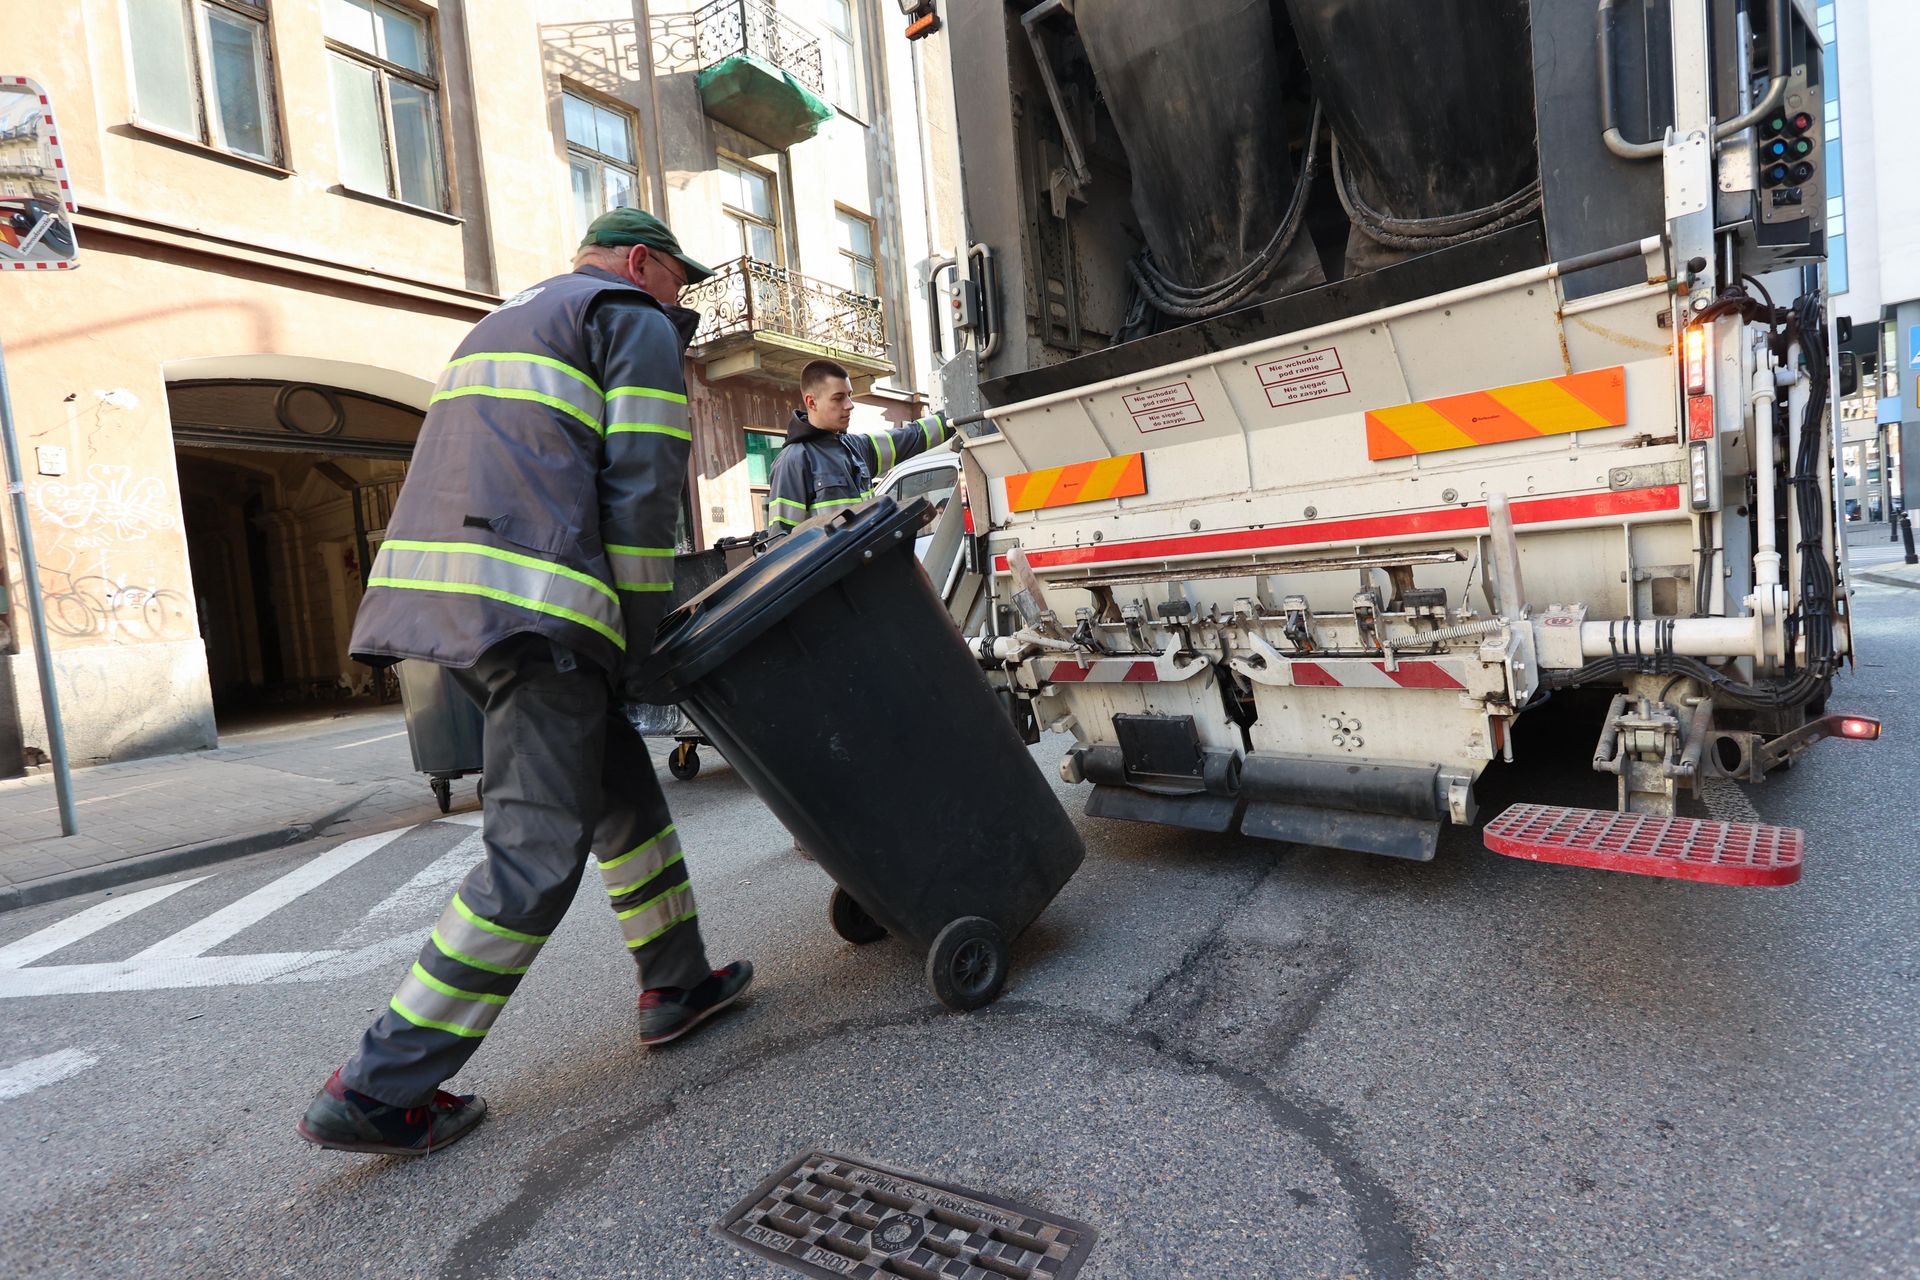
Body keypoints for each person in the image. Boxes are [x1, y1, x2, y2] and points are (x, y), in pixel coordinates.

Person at [296, 209, 752, 1157]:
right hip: (543, 612)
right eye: (680, 281)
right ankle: (380, 1086)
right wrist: (638, 636)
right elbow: (641, 488)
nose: (684, 304)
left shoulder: (505, 322)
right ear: (640, 263)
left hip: (453, 614)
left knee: (622, 797)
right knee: (535, 856)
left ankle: (678, 982)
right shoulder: (629, 317)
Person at [763, 359, 953, 535]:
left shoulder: (856, 447)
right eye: (838, 398)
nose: (849, 405)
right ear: (811, 402)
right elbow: (782, 543)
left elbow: (910, 437)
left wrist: (950, 421)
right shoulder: (793, 461)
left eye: (849, 396)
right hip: (836, 571)